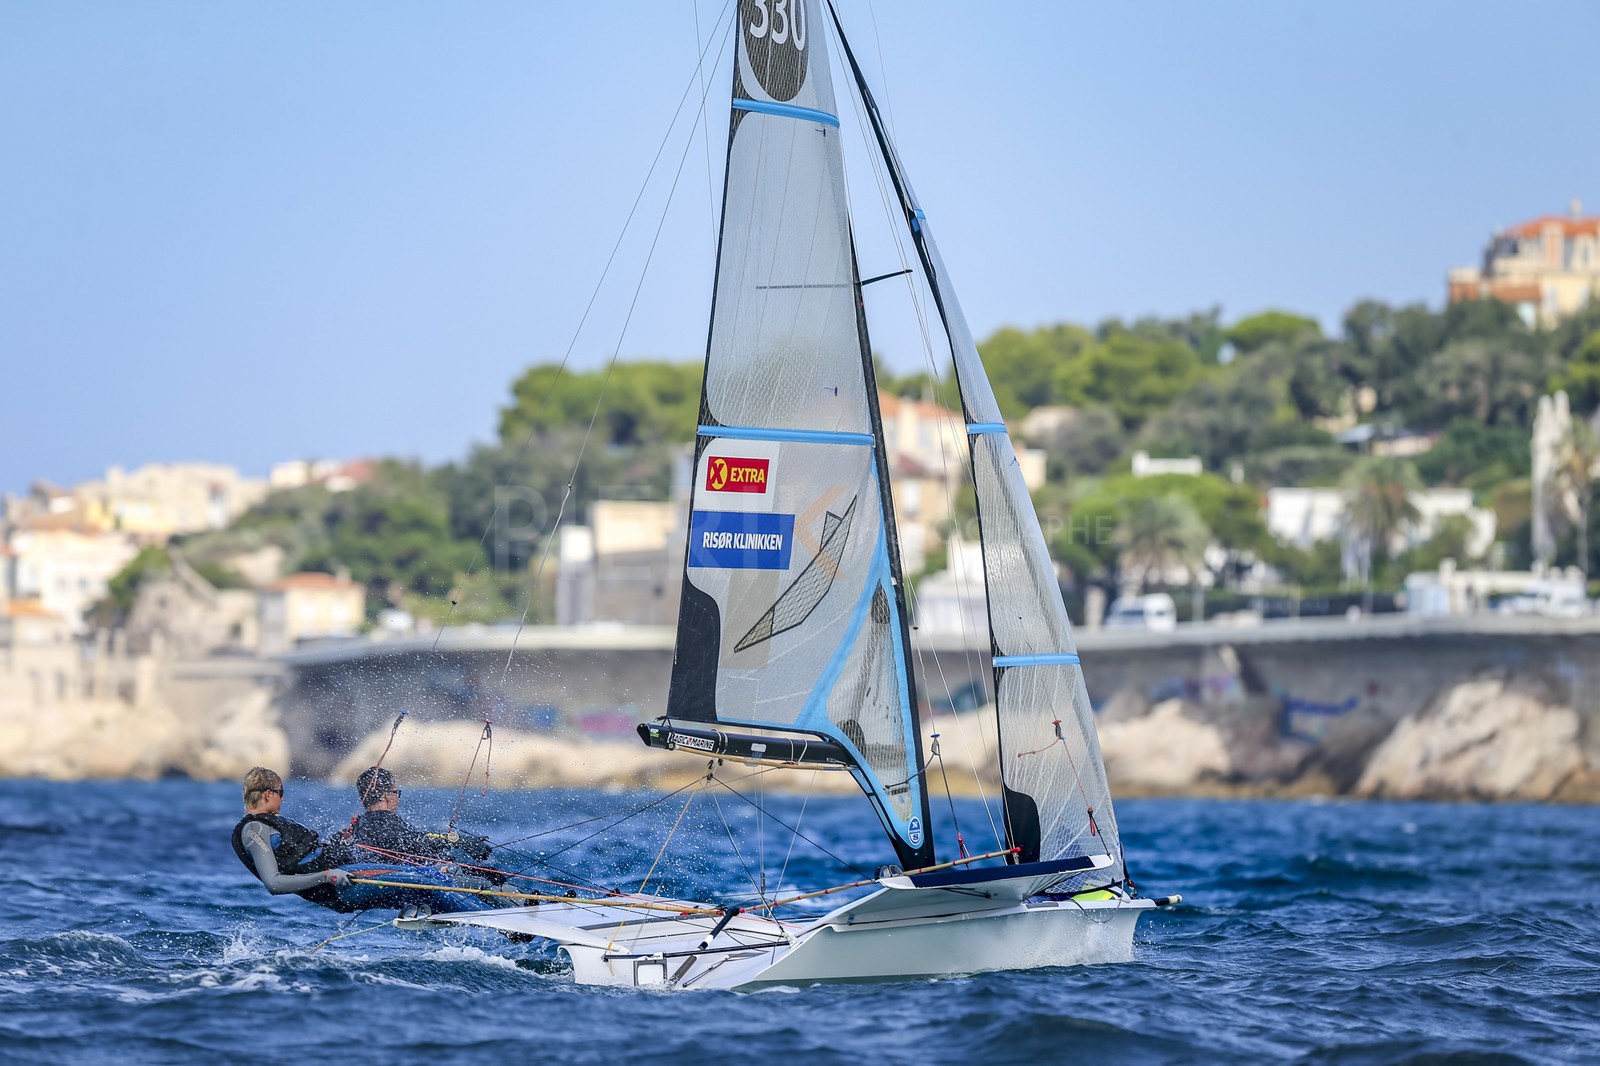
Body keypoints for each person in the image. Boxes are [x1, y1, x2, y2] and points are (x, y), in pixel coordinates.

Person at [231, 766, 352, 910]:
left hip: (338, 865)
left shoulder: (266, 823)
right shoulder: (254, 830)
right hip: (336, 882)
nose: (282, 799)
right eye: (280, 793)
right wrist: (327, 876)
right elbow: (273, 883)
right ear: (268, 794)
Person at [348, 765, 495, 868]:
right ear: (387, 796)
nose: (397, 798)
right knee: (489, 882)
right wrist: (456, 840)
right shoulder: (384, 823)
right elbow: (413, 842)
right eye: (396, 792)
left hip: (398, 874)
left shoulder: (358, 826)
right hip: (403, 881)